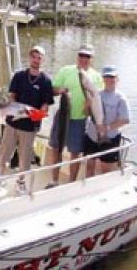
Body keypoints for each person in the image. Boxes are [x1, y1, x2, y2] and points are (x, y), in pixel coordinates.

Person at [0, 45, 54, 190]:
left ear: (43, 60)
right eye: (33, 57)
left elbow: (45, 104)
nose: (36, 60)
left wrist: (40, 114)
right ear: (29, 58)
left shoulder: (46, 81)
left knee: (25, 158)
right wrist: (12, 111)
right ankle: (0, 180)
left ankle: (20, 182)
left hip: (30, 127)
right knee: (4, 153)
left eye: (39, 58)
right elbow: (12, 97)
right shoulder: (19, 76)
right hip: (12, 123)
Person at [47, 44, 103, 185]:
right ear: (77, 56)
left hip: (80, 120)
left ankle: (71, 183)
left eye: (87, 56)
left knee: (75, 152)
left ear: (92, 58)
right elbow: (52, 89)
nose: (84, 58)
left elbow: (98, 99)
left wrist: (90, 104)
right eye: (81, 55)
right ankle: (54, 180)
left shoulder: (96, 76)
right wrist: (60, 90)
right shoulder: (66, 70)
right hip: (62, 116)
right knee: (56, 148)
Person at [84, 65, 130, 176]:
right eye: (107, 76)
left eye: (112, 77)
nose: (109, 79)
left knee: (105, 170)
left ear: (117, 78)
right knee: (89, 167)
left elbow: (125, 120)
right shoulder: (96, 94)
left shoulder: (121, 98)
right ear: (103, 78)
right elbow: (87, 114)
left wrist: (107, 127)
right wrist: (87, 106)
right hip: (92, 136)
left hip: (110, 138)